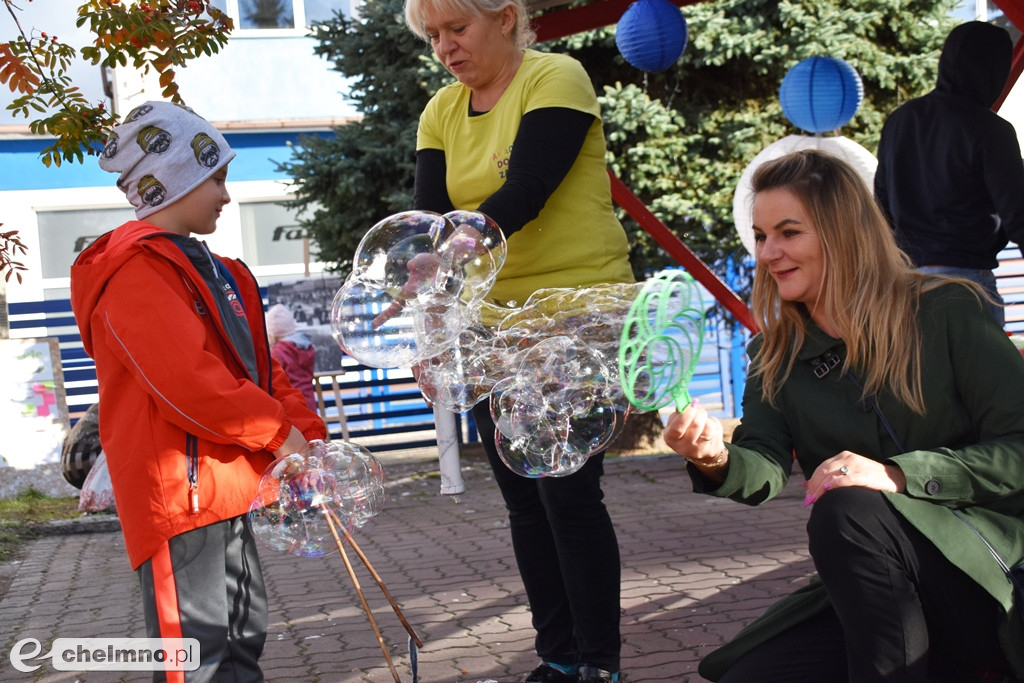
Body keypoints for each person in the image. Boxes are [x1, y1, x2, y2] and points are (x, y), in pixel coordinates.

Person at [665, 149, 1024, 682]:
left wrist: (898, 475)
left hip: (984, 575)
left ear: (842, 233)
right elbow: (762, 464)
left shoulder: (948, 310)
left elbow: (1018, 445)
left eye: (788, 232)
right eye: (762, 236)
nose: (768, 253)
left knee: (849, 509)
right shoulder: (774, 353)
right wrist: (714, 455)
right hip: (884, 584)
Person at [401, 0, 635, 679]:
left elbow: (528, 187)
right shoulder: (441, 111)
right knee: (523, 496)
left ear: (505, 17)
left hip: (574, 308)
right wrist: (435, 327)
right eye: (434, 35)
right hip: (489, 321)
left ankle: (599, 661)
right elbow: (430, 228)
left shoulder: (555, 77)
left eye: (458, 28)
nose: (445, 47)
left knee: (566, 489)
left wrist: (468, 233)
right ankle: (558, 657)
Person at [70, 101, 326, 682]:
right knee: (197, 656)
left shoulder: (220, 271)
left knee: (240, 643)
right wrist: (279, 435)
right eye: (217, 178)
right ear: (175, 180)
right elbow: (188, 383)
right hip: (178, 496)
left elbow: (261, 370)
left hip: (229, 485)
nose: (227, 195)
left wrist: (305, 437)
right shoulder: (134, 271)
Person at [874, 20, 1024, 327]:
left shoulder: (901, 120)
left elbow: (881, 210)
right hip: (967, 283)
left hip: (908, 285)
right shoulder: (990, 129)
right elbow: (1018, 215)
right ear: (994, 69)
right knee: (982, 375)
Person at [266, 303, 318, 411]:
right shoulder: (306, 347)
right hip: (309, 403)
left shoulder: (277, 353)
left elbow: (272, 381)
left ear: (273, 334)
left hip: (292, 407)